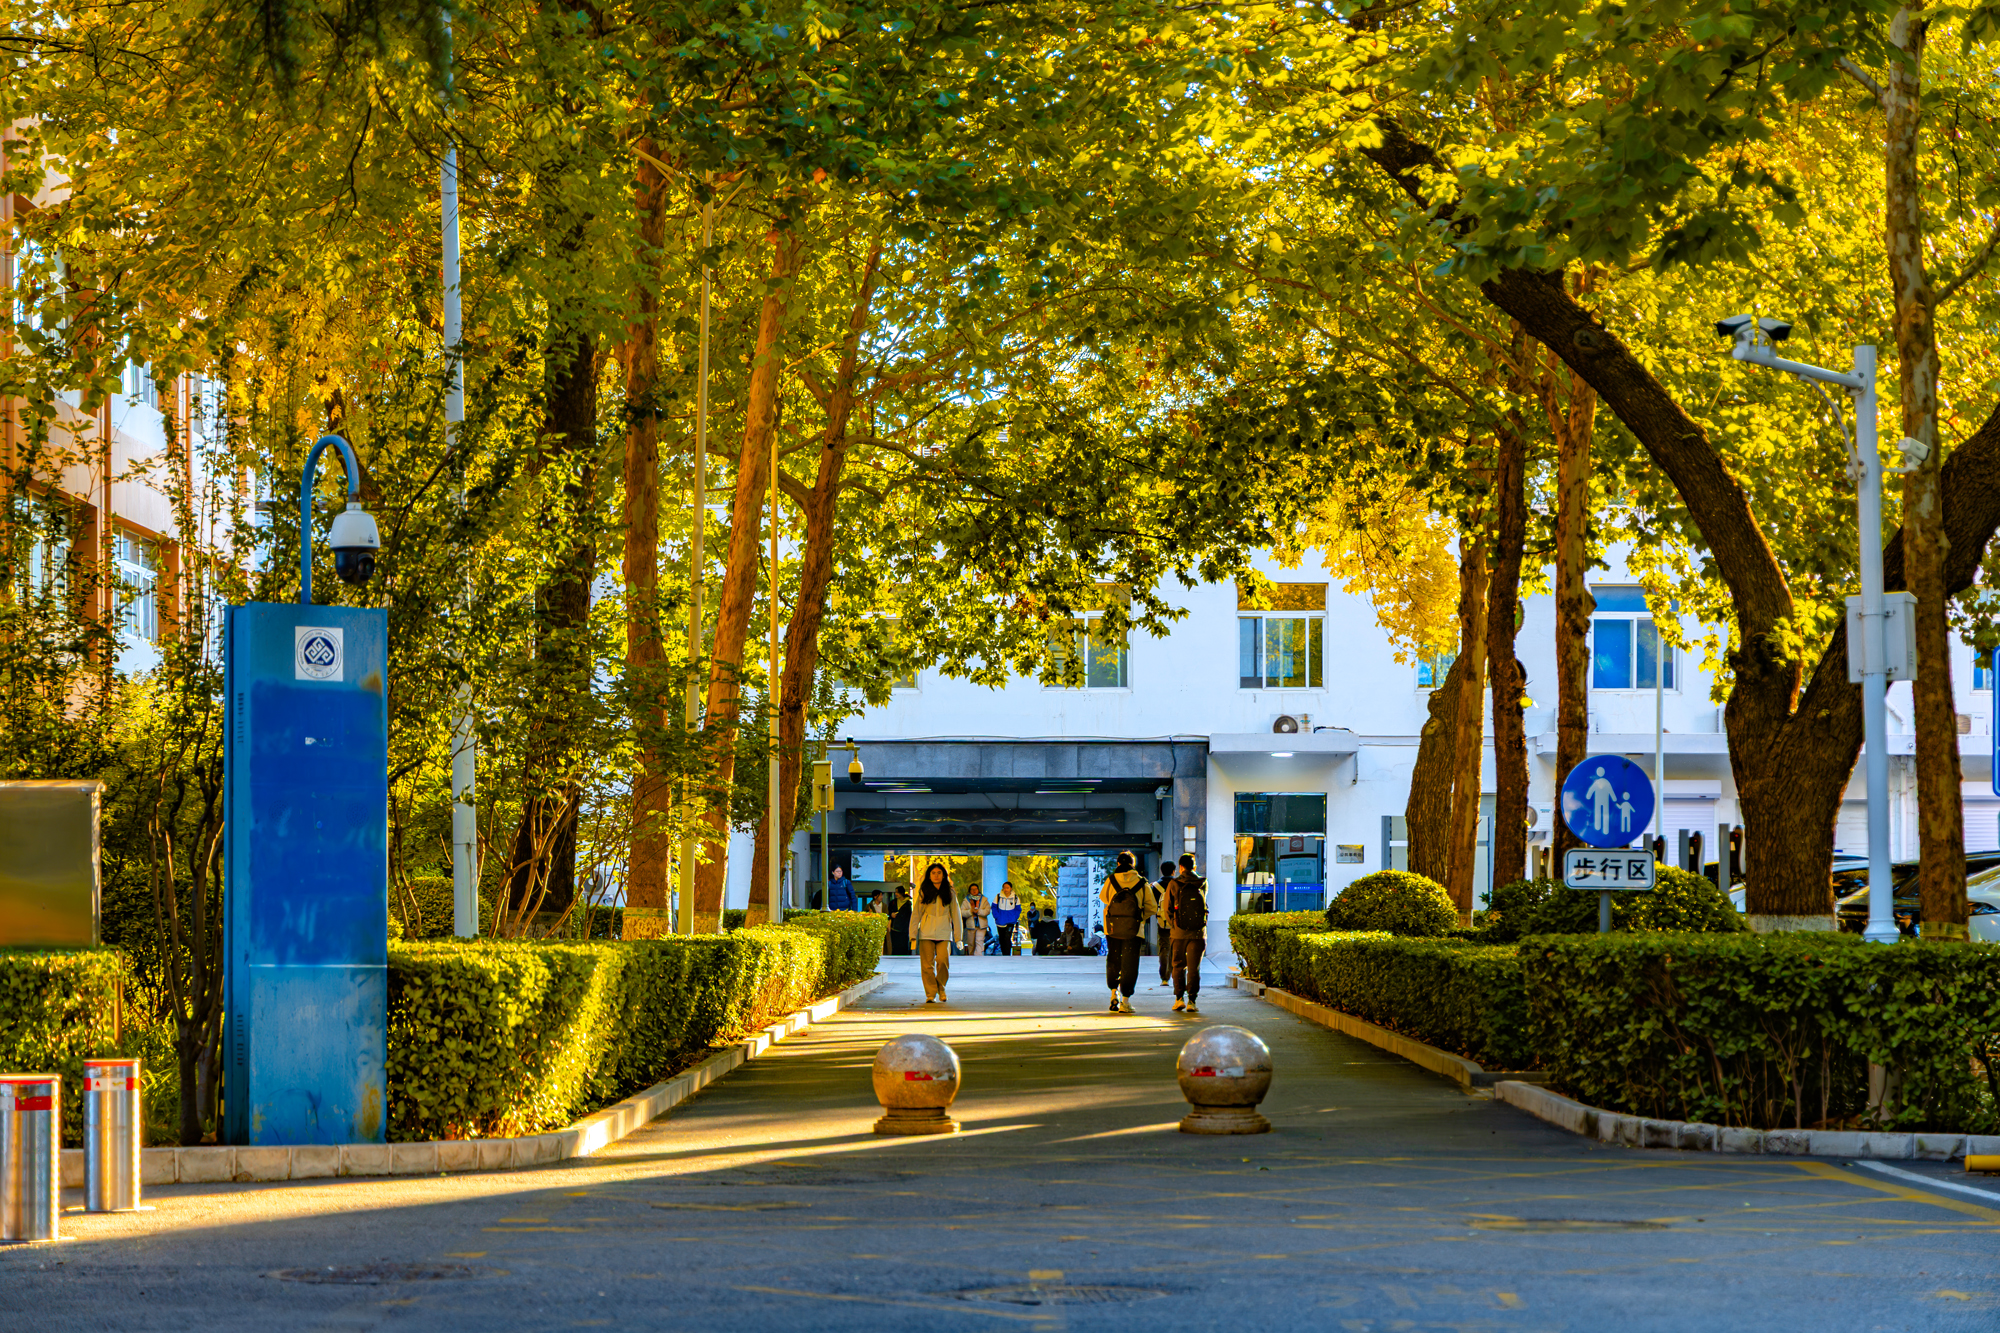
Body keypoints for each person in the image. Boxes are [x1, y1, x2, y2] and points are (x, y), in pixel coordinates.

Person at [1099, 851, 1160, 1013]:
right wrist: (1138, 918)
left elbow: (1104, 898)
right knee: (1130, 963)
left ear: (1118, 864)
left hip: (1112, 928)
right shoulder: (1142, 882)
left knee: (1113, 959)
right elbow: (1152, 907)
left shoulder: (1111, 880)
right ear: (1133, 865)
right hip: (1134, 930)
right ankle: (1125, 1001)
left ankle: (1113, 993)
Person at [1164, 853, 1209, 1014]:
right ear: (1194, 866)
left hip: (1178, 933)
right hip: (1198, 933)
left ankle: (1179, 999)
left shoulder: (1174, 883)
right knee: (1194, 968)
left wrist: (1175, 924)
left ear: (1181, 867)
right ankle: (1192, 1001)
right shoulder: (1202, 882)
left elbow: (1167, 909)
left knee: (1178, 965)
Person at [912, 862, 961, 1002]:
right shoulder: (924, 891)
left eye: (939, 873)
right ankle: (930, 994)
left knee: (942, 961)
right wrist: (912, 934)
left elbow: (956, 915)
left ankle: (941, 987)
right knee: (927, 965)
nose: (936, 875)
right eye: (933, 873)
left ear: (943, 875)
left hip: (944, 932)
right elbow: (916, 914)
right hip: (926, 932)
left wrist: (958, 937)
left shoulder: (950, 892)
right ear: (929, 875)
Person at [1153, 856, 1179, 985]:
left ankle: (1164, 977)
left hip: (1162, 922)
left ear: (1161, 871)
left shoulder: (1156, 886)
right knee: (1176, 948)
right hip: (1177, 922)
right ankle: (1176, 975)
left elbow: (1152, 905)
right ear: (1174, 871)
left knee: (1164, 948)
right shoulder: (1178, 884)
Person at [991, 881, 1023, 956]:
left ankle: (1007, 954)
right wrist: (997, 916)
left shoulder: (1015, 898)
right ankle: (1004, 954)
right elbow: (994, 907)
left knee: (1007, 937)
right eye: (1004, 888)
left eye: (1007, 888)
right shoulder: (998, 897)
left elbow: (1018, 909)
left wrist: (1015, 917)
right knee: (1002, 938)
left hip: (1010, 921)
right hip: (1000, 921)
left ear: (1011, 888)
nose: (1006, 889)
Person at [964, 884, 990, 957]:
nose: (974, 891)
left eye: (975, 889)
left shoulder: (984, 899)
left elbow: (988, 910)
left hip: (981, 925)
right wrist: (970, 911)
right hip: (971, 925)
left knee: (979, 941)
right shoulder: (966, 900)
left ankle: (979, 957)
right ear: (969, 891)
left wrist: (979, 911)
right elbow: (962, 912)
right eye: (972, 889)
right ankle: (971, 958)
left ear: (978, 890)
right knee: (971, 944)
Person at [889, 887, 913, 957]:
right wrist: (891, 915)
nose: (896, 894)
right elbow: (889, 912)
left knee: (903, 945)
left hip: (904, 928)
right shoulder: (893, 902)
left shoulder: (907, 903)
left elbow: (909, 916)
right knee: (895, 946)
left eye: (897, 892)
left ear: (901, 893)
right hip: (895, 928)